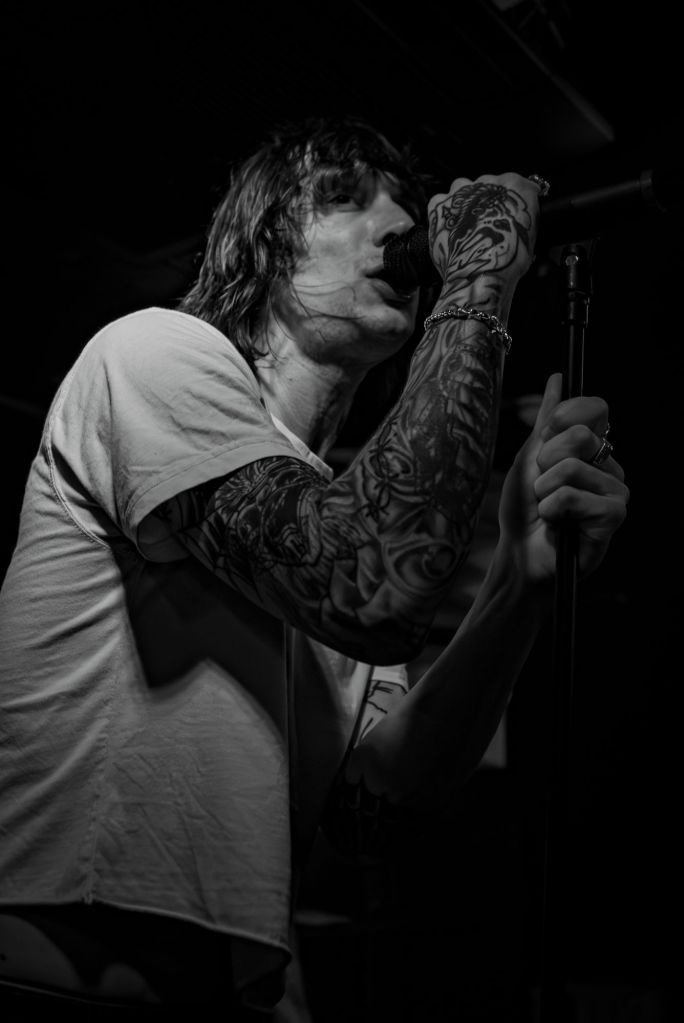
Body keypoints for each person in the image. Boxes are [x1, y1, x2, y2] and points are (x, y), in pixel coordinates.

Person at [0, 115, 628, 1017]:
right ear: (263, 241)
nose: (401, 225)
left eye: (405, 205)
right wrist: (481, 279)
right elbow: (364, 579)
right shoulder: (151, 355)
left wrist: (518, 583)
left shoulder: (336, 504)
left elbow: (376, 810)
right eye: (345, 198)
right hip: (56, 977)